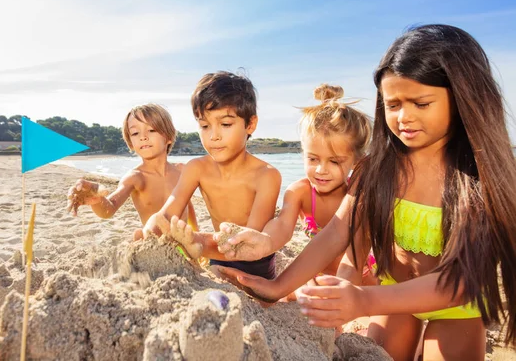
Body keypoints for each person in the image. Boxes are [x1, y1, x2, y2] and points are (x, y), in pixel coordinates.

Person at [217, 24, 516, 360]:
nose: (404, 117)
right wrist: (276, 287)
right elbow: (335, 233)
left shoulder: (476, 181)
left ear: (463, 97)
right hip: (393, 298)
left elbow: (459, 281)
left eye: (421, 103)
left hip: (452, 308)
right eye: (393, 104)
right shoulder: (378, 170)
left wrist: (363, 301)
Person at [217, 83, 372, 287]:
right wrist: (266, 241)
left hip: (361, 274)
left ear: (356, 160)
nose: (321, 170)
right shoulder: (300, 192)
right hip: (318, 276)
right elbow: (282, 225)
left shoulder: (359, 193)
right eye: (313, 159)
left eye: (334, 161)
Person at [143, 71, 282, 279]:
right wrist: (151, 232)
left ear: (250, 124)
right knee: (215, 277)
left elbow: (249, 243)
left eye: (225, 124)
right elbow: (166, 214)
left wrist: (198, 242)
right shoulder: (196, 168)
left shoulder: (267, 176)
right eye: (204, 126)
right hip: (216, 252)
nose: (213, 136)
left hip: (255, 260)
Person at [66, 103, 197, 241]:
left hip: (184, 246)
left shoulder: (182, 171)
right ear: (130, 142)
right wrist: (96, 199)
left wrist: (196, 233)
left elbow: (187, 204)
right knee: (142, 237)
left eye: (151, 130)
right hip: (156, 246)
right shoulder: (135, 177)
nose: (143, 137)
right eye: (135, 133)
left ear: (169, 137)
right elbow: (109, 209)